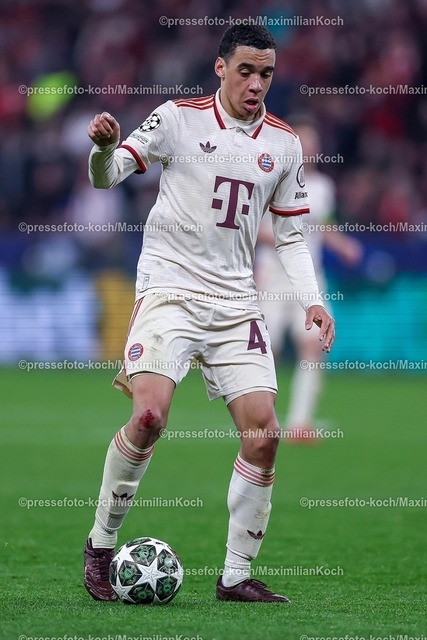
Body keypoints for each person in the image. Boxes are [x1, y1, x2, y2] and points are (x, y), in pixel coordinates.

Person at [84, 24, 335, 604]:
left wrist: (313, 300)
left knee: (264, 434)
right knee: (149, 417)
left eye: (266, 74)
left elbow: (291, 237)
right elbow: (107, 177)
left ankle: (235, 575)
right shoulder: (177, 119)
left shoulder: (284, 144)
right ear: (220, 68)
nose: (256, 84)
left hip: (236, 301)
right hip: (169, 290)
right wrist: (102, 149)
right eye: (246, 71)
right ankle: (100, 543)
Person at [255, 117, 361, 442]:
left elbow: (323, 227)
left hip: (309, 278)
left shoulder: (323, 187)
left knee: (312, 345)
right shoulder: (270, 180)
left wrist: (343, 245)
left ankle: (300, 422)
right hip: (273, 274)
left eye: (313, 145)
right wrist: (288, 243)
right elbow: (254, 229)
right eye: (303, 144)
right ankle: (261, 416)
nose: (308, 151)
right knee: (266, 349)